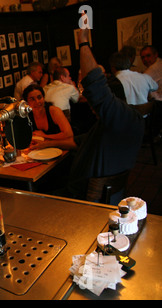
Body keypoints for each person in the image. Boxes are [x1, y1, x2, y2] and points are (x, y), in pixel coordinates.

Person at [30, 29, 145, 205]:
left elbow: (94, 82)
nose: (90, 108)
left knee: (31, 196)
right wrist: (48, 143)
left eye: (93, 104)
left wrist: (83, 42)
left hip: (82, 199)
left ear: (111, 102)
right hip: (88, 191)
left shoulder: (120, 117)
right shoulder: (112, 123)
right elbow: (78, 141)